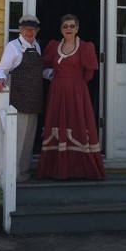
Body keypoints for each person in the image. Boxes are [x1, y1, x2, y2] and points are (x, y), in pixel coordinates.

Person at [37, 14, 105, 180]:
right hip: (57, 91)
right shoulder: (53, 47)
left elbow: (89, 74)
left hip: (77, 91)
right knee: (57, 122)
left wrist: (75, 84)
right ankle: (56, 169)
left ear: (77, 28)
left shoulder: (85, 47)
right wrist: (52, 75)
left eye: (72, 26)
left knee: (77, 122)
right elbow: (44, 66)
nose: (69, 29)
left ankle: (80, 169)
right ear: (61, 29)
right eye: (65, 26)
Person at [0, 14, 44, 182]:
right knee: (17, 141)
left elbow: (36, 71)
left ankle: (23, 172)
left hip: (34, 101)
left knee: (28, 141)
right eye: (27, 28)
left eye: (33, 29)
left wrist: (50, 74)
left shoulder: (37, 46)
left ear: (36, 31)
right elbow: (1, 70)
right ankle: (12, 175)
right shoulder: (13, 47)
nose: (30, 31)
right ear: (21, 30)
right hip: (18, 101)